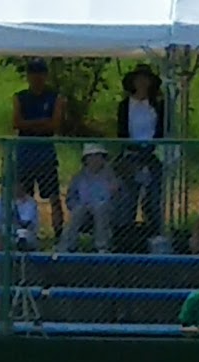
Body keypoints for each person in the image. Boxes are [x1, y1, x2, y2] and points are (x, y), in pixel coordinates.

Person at [12, 59, 65, 244]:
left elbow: (55, 124)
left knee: (53, 196)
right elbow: (17, 122)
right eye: (32, 73)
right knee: (22, 194)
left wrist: (32, 124)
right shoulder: (20, 97)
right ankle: (23, 231)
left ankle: (59, 234)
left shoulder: (54, 97)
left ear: (45, 75)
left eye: (40, 73)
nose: (36, 77)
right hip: (25, 151)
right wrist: (42, 122)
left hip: (45, 151)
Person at [115, 64, 165, 235]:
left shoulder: (158, 105)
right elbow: (122, 132)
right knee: (128, 199)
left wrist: (150, 149)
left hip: (152, 154)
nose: (142, 83)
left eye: (146, 79)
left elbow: (162, 131)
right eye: (139, 79)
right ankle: (125, 237)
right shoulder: (124, 105)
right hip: (131, 155)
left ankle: (155, 234)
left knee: (153, 199)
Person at [59, 144, 118, 255]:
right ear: (86, 159)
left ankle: (102, 247)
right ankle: (67, 246)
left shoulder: (111, 176)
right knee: (78, 211)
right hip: (84, 208)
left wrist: (112, 195)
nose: (94, 159)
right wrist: (77, 206)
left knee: (100, 209)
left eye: (98, 156)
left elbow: (118, 199)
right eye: (91, 156)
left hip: (105, 210)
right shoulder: (79, 177)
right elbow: (70, 198)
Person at [0, 179, 39, 252]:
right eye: (4, 185)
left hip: (21, 234)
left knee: (26, 238)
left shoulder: (29, 203)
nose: (5, 188)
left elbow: (25, 225)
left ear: (20, 185)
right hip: (1, 235)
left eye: (10, 185)